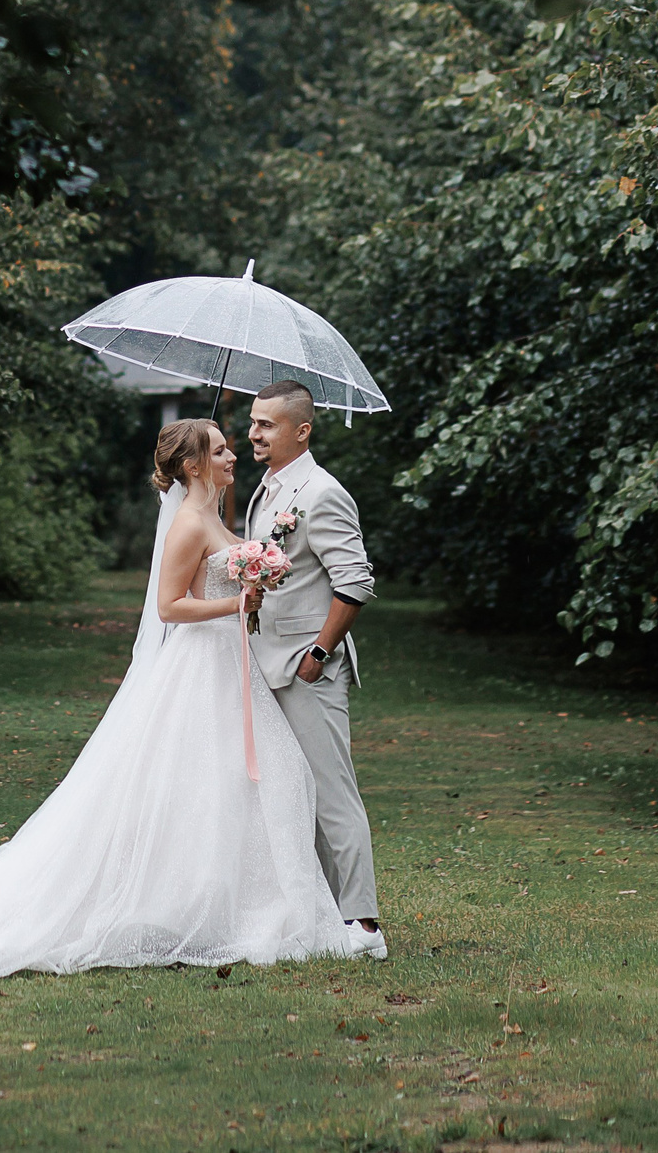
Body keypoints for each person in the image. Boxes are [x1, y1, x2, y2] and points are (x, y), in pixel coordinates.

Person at [0, 419, 379, 976]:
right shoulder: (189, 525)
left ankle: (239, 904)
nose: (233, 455)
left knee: (253, 783)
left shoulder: (222, 516)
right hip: (202, 664)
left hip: (233, 664)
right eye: (220, 450)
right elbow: (171, 607)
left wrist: (254, 587)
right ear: (193, 466)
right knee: (216, 782)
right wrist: (235, 604)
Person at [245, 380, 383, 951]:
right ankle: (321, 914)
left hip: (308, 667)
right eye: (253, 422)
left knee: (331, 792)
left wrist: (319, 654)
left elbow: (355, 582)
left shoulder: (321, 492)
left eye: (266, 425)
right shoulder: (267, 488)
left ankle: (365, 926)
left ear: (302, 431)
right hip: (262, 661)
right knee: (287, 791)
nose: (254, 433)